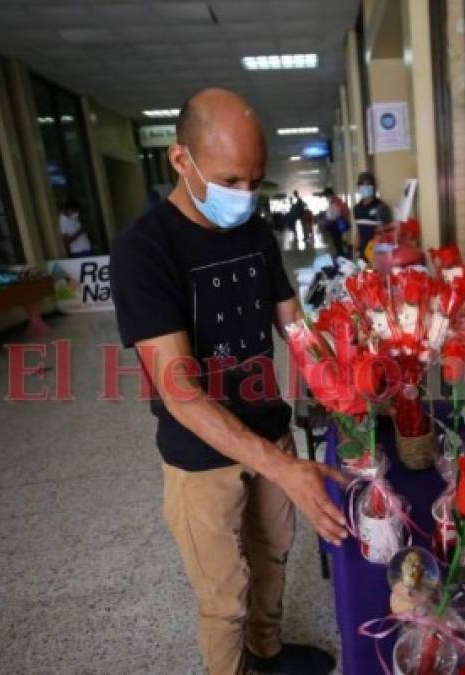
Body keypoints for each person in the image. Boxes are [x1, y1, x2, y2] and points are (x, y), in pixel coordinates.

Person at [110, 88, 345, 675]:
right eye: (230, 179)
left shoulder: (256, 232)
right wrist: (284, 468)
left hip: (268, 429)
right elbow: (181, 392)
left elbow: (294, 327)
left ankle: (268, 651)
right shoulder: (144, 252)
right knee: (223, 598)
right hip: (201, 456)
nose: (242, 196)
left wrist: (345, 382)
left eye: (254, 182)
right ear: (180, 158)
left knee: (273, 555)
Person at [352, 171, 392, 259]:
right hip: (362, 253)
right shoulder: (357, 209)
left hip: (378, 253)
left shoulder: (382, 207)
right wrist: (355, 250)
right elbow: (358, 231)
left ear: (374, 187)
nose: (365, 188)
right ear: (358, 188)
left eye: (368, 185)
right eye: (362, 185)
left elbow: (388, 233)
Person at [321, 186, 350, 257]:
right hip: (334, 224)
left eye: (326, 196)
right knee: (337, 240)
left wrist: (328, 218)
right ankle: (339, 253)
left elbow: (336, 214)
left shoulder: (336, 201)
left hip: (336, 224)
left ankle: (341, 254)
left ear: (330, 194)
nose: (326, 198)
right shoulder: (333, 202)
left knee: (337, 240)